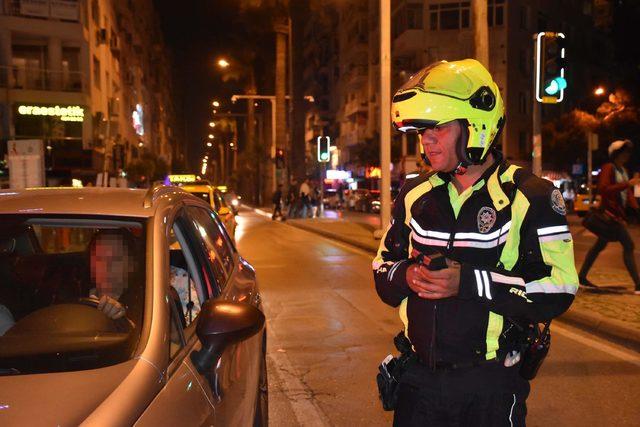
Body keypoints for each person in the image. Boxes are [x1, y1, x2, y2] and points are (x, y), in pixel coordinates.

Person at [373, 59, 578, 426]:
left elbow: (560, 289)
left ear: (476, 127)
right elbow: (382, 269)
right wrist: (406, 277)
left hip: (491, 386)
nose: (426, 140)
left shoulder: (531, 196)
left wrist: (469, 282)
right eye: (422, 131)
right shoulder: (413, 192)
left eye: (438, 128)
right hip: (418, 383)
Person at [579, 139, 640, 293]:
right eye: (623, 152)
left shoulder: (623, 171)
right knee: (629, 245)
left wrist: (636, 208)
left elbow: (628, 194)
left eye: (628, 152)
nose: (627, 155)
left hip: (616, 215)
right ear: (616, 154)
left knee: (599, 245)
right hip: (609, 215)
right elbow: (604, 188)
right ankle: (638, 284)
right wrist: (627, 184)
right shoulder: (609, 168)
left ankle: (582, 276)